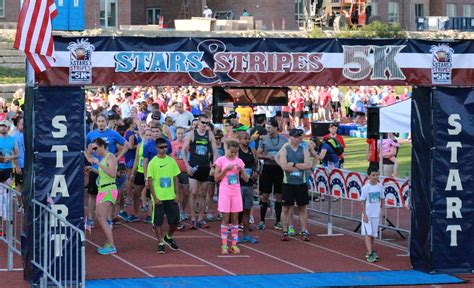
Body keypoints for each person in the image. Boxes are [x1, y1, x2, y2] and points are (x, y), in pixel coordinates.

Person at [85, 114, 129, 229]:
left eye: (102, 121)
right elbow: (85, 147)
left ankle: (109, 219)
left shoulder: (113, 134)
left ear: (107, 122)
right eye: (99, 121)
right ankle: (90, 219)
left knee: (108, 195)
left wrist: (117, 158)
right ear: (96, 122)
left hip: (108, 169)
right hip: (95, 168)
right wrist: (89, 158)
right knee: (92, 194)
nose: (100, 123)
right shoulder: (91, 134)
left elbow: (127, 145)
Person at [182, 114, 218, 229]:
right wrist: (187, 165)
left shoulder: (209, 134)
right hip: (194, 167)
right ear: (198, 122)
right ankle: (193, 218)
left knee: (203, 194)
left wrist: (214, 165)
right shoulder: (192, 134)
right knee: (193, 192)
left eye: (207, 123)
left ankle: (201, 218)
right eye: (203, 122)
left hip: (205, 167)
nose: (205, 125)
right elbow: (183, 150)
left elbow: (215, 151)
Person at [214, 139, 249, 254]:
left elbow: (246, 179)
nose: (233, 154)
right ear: (227, 149)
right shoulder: (221, 160)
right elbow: (216, 178)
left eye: (235, 152)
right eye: (231, 152)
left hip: (236, 192)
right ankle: (224, 245)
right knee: (225, 218)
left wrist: (241, 171)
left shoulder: (239, 161)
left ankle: (234, 244)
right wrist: (225, 170)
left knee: (235, 219)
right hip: (225, 191)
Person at [277, 128, 312, 241]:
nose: (297, 139)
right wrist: (298, 166)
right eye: (295, 137)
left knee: (303, 208)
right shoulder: (285, 149)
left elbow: (308, 165)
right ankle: (285, 231)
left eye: (299, 137)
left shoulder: (304, 148)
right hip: (288, 183)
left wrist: (294, 164)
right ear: (290, 137)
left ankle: (304, 230)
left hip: (301, 183)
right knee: (286, 208)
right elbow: (284, 166)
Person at [147, 138, 181, 254]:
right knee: (158, 222)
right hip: (159, 197)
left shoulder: (171, 161)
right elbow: (150, 181)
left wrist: (177, 194)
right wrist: (155, 197)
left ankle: (168, 237)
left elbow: (176, 178)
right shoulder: (152, 163)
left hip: (170, 196)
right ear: (156, 148)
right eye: (161, 147)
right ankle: (161, 243)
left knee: (175, 220)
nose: (164, 149)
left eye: (165, 147)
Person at [88, 138, 118, 255]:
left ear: (102, 146)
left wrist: (98, 163)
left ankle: (111, 245)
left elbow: (112, 174)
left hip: (108, 189)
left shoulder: (110, 157)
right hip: (102, 189)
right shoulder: (104, 158)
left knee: (102, 218)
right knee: (99, 217)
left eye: (95, 148)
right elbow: (103, 173)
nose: (94, 151)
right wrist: (93, 169)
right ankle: (109, 242)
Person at [256, 120, 288, 230]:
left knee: (279, 195)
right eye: (267, 127)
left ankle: (278, 220)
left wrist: (280, 158)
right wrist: (267, 156)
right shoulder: (264, 139)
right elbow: (258, 154)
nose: (268, 130)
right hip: (268, 168)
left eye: (269, 127)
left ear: (276, 128)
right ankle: (262, 220)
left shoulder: (284, 139)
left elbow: (287, 152)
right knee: (265, 195)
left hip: (279, 169)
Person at [237, 132, 258, 243]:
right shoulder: (237, 152)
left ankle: (246, 234)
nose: (247, 140)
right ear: (239, 140)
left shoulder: (251, 150)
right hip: (238, 184)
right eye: (245, 138)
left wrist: (255, 172)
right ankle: (235, 234)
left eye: (248, 138)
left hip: (249, 184)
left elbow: (255, 163)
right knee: (237, 211)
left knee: (247, 209)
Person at [360, 167, 384, 263]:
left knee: (373, 234)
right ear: (368, 176)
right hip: (368, 214)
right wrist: (364, 214)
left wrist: (382, 210)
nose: (375, 177)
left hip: (376, 214)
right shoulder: (366, 187)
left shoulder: (380, 186)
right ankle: (370, 253)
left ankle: (369, 251)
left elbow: (382, 199)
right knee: (367, 233)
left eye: (377, 175)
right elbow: (362, 202)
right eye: (373, 175)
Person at [171, 127, 190, 226]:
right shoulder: (172, 144)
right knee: (177, 192)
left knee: (186, 193)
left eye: (182, 133)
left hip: (184, 171)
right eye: (179, 133)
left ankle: (183, 210)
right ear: (176, 134)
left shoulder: (187, 144)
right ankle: (178, 211)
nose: (180, 135)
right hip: (175, 171)